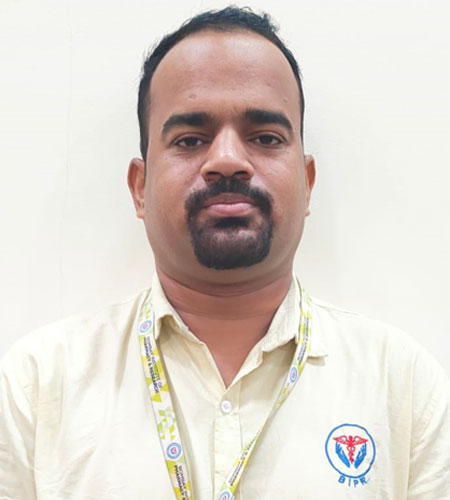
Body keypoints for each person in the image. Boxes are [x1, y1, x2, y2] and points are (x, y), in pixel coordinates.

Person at [1, 6, 449, 500]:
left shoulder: (403, 386)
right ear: (140, 188)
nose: (228, 160)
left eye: (265, 138)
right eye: (191, 139)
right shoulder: (38, 387)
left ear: (307, 183)